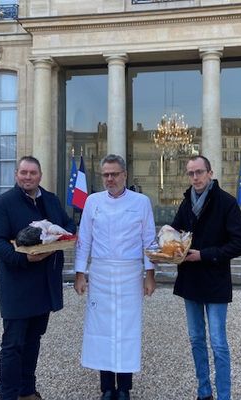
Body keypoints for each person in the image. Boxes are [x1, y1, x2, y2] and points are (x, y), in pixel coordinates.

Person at [0, 155, 76, 400]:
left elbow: (68, 225)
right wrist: (23, 258)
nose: (28, 177)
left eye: (32, 173)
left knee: (34, 339)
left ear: (40, 176)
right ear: (16, 174)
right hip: (17, 285)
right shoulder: (2, 203)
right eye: (23, 172)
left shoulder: (51, 200)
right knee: (13, 344)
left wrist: (64, 236)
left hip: (44, 284)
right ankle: (9, 394)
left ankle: (27, 391)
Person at [74, 154, 156, 400]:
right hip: (100, 273)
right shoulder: (92, 201)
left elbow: (149, 240)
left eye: (114, 174)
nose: (110, 179)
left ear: (125, 175)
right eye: (106, 175)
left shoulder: (142, 202)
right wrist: (80, 274)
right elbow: (84, 239)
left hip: (130, 273)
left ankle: (124, 388)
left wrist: (149, 275)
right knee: (102, 330)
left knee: (127, 330)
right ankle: (107, 387)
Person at [170, 155, 241, 400]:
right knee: (196, 339)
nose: (195, 177)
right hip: (191, 281)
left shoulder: (226, 202)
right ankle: (204, 392)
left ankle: (224, 395)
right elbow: (175, 234)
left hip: (214, 279)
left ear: (210, 173)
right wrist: (169, 245)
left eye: (199, 172)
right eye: (191, 173)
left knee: (218, 343)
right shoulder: (186, 203)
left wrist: (204, 255)